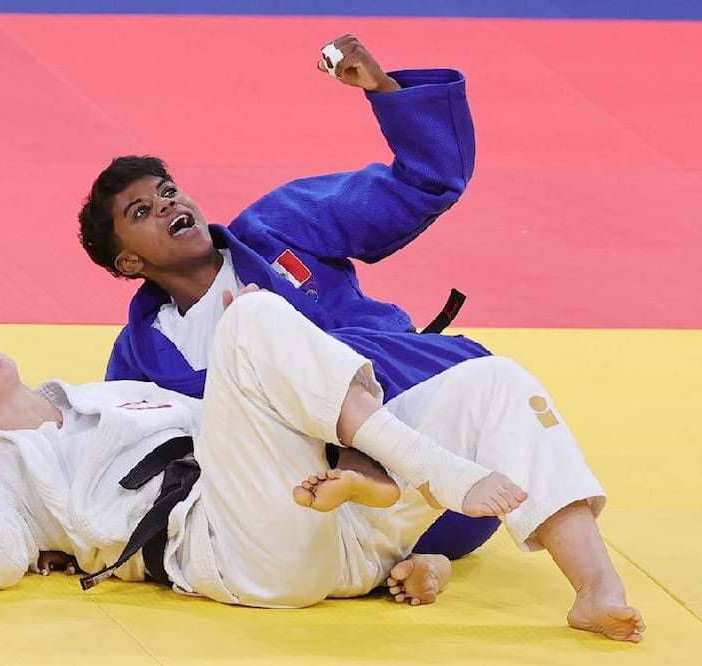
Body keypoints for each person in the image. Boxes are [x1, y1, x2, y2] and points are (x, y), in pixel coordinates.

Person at [0, 289, 646, 643]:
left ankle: (595, 589)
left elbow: (267, 427)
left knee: (494, 383)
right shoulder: (2, 471)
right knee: (253, 319)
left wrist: (354, 475)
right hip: (233, 552)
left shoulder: (109, 392)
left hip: (325, 523)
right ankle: (424, 467)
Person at [78, 34, 499, 559]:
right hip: (317, 516)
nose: (165, 205)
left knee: (333, 359)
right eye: (139, 213)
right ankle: (408, 559)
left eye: (166, 190)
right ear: (129, 263)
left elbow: (425, 182)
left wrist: (384, 88)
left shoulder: (280, 228)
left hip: (437, 457)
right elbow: (120, 457)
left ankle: (383, 494)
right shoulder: (140, 357)